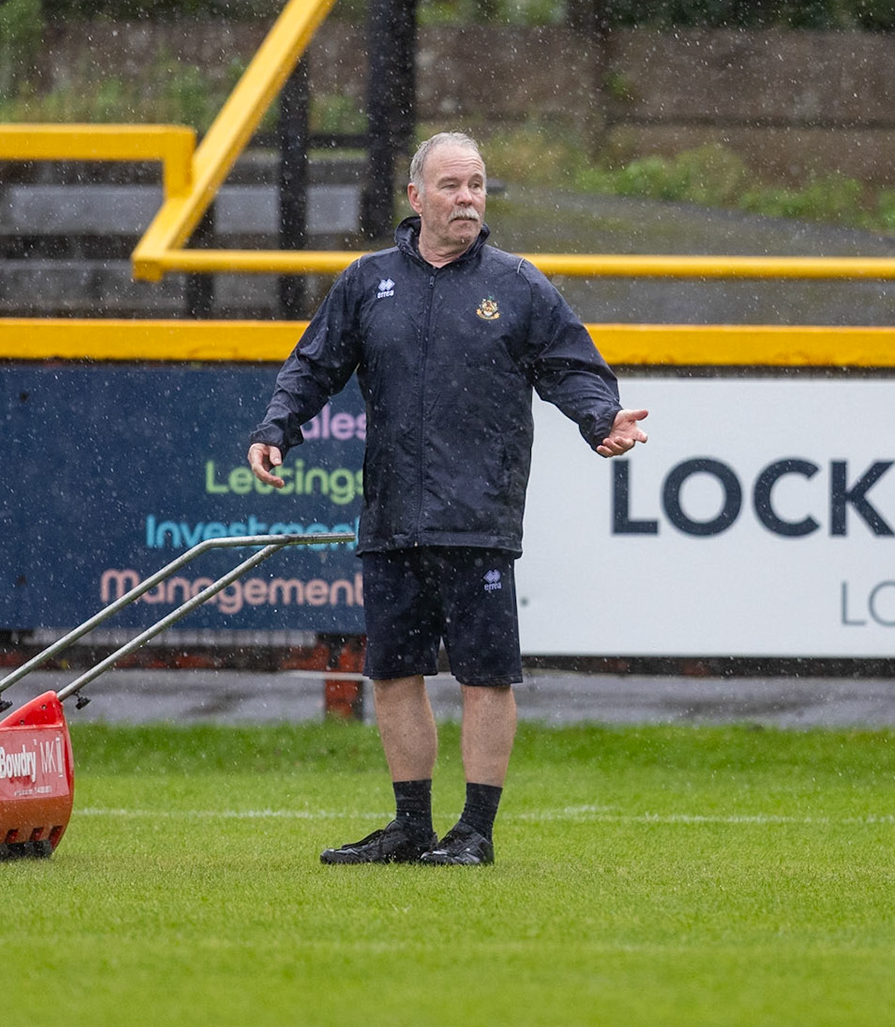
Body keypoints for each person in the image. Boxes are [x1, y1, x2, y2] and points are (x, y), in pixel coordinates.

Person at [247, 131, 648, 866]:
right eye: (453, 185)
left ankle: (475, 832)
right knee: (396, 674)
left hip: (479, 518)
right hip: (394, 515)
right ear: (416, 197)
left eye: (478, 185)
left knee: (484, 676)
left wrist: (601, 419)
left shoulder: (519, 284)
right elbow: (313, 365)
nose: (468, 198)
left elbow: (575, 368)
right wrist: (278, 427)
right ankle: (410, 828)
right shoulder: (368, 284)